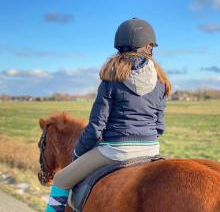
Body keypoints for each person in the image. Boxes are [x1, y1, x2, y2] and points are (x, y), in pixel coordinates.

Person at [45, 18, 171, 212]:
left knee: (61, 180)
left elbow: (96, 128)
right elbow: (159, 127)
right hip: (150, 150)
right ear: (149, 47)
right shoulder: (161, 83)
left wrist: (77, 153)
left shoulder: (111, 80)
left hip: (115, 151)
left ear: (119, 46)